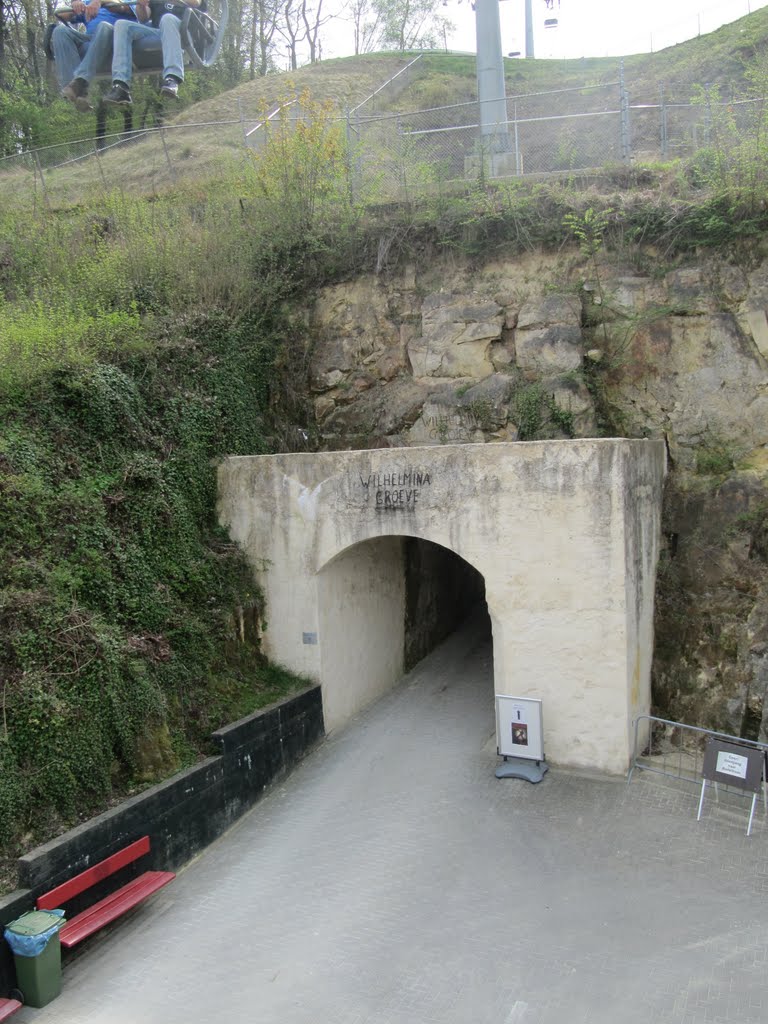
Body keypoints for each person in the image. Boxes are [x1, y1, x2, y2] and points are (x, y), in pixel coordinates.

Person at [104, 0, 199, 106]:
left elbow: (196, 2)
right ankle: (121, 86)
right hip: (157, 30)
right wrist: (142, 5)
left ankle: (173, 78)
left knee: (167, 18)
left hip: (182, 29)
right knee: (121, 25)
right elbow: (143, 18)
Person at [52, 0, 136, 111]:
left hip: (115, 36)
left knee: (104, 26)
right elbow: (62, 15)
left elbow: (127, 9)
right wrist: (75, 6)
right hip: (91, 38)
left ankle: (80, 82)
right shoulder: (89, 2)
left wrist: (100, 2)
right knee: (60, 31)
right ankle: (76, 90)